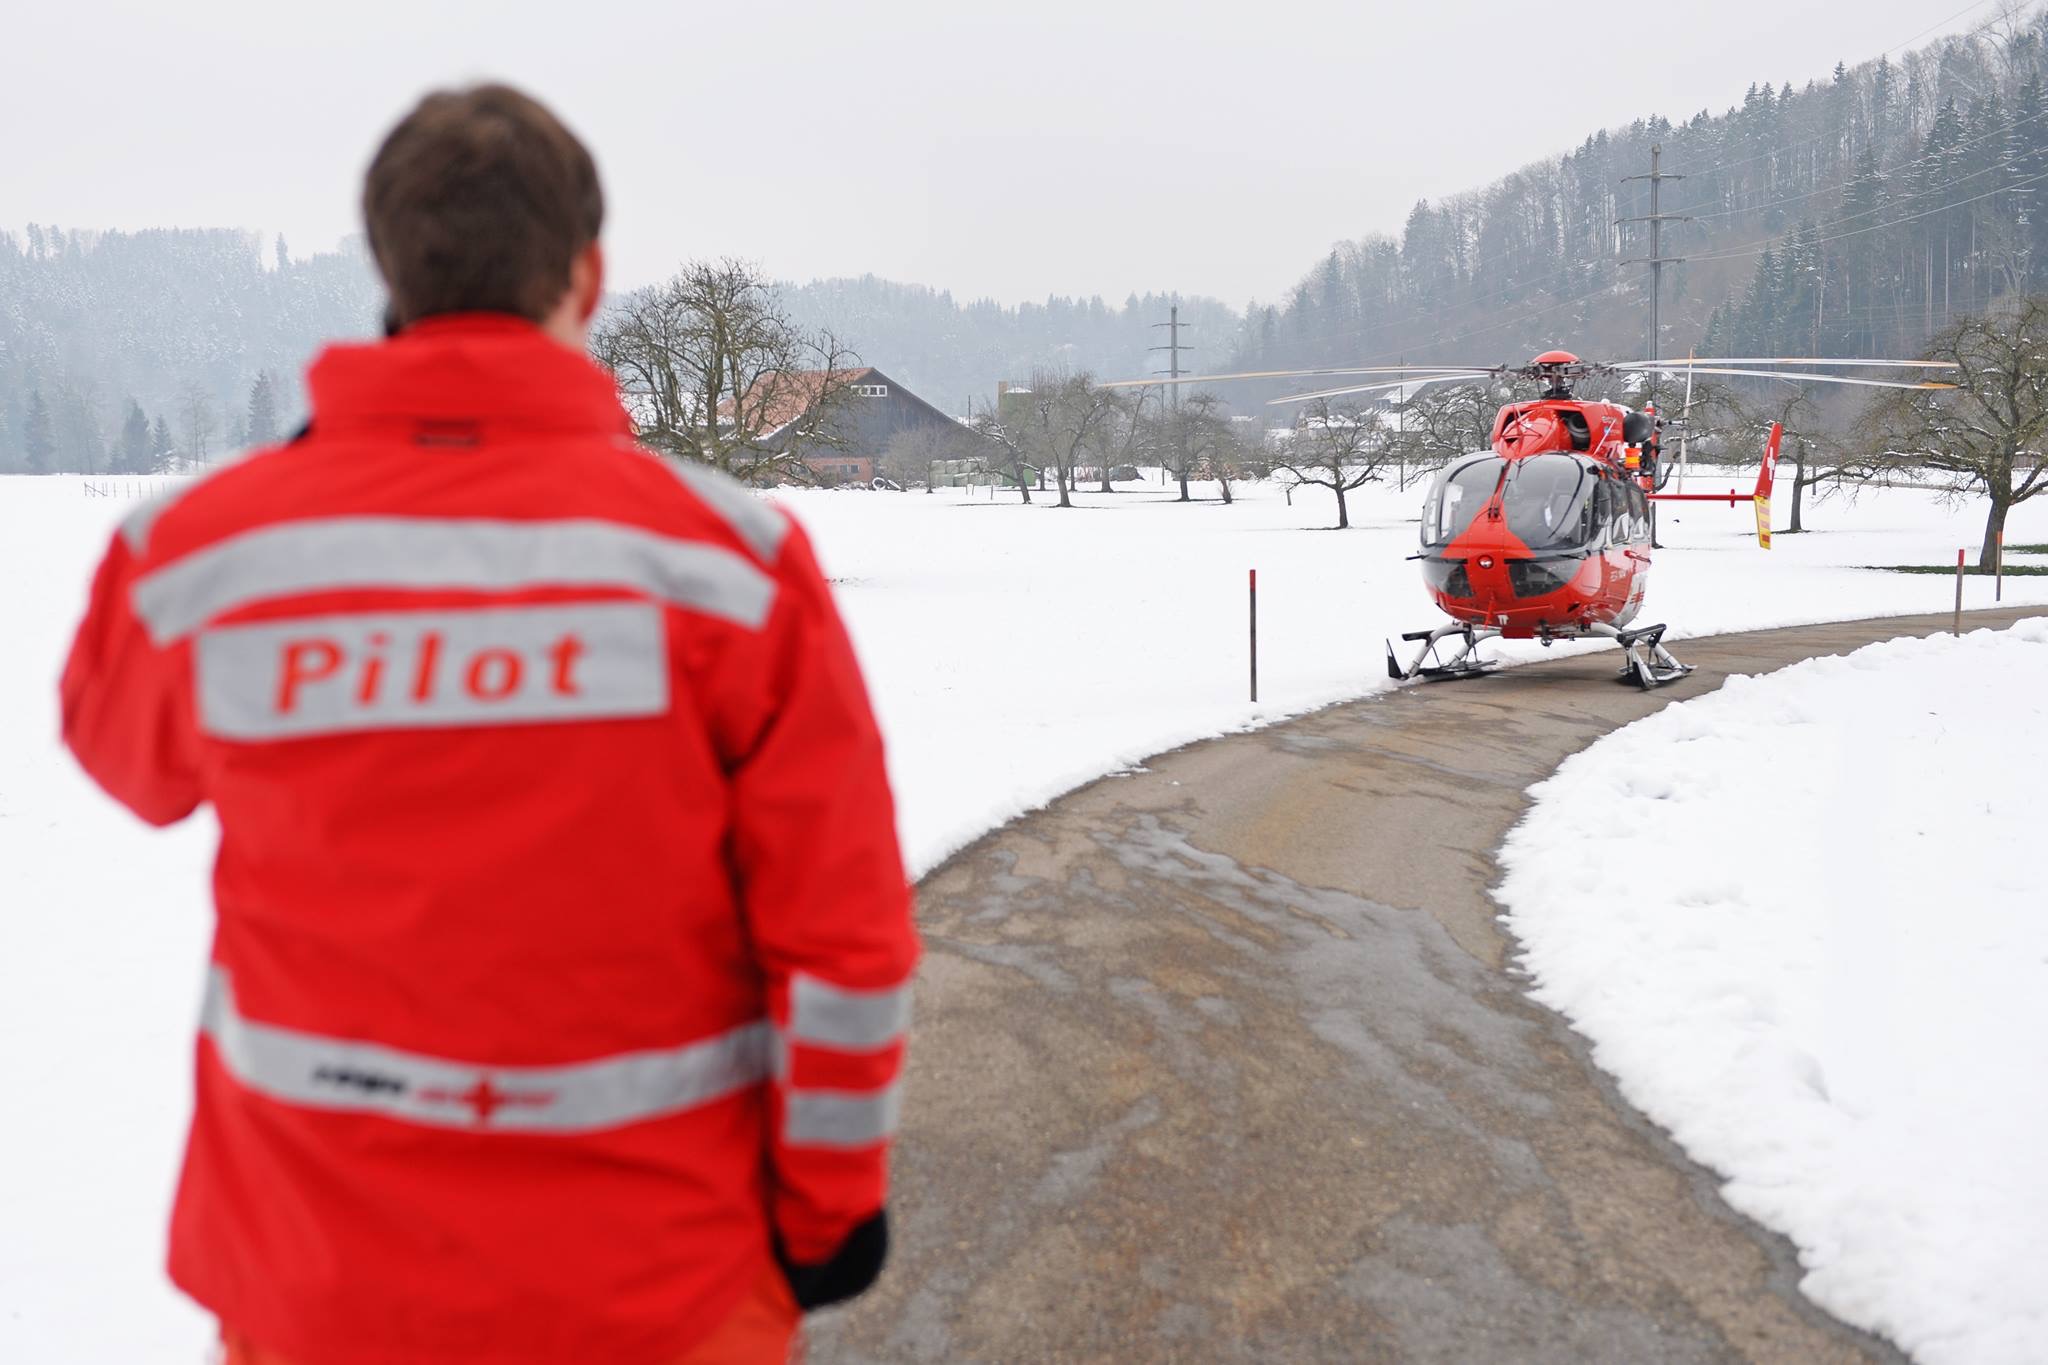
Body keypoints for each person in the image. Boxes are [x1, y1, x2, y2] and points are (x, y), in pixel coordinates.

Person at [60, 84, 917, 1365]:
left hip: (318, 1291)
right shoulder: (727, 566)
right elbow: (842, 946)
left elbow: (131, 764)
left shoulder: (197, 561)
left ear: (388, 268)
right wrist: (826, 1217)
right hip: (657, 1296)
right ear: (588, 273)